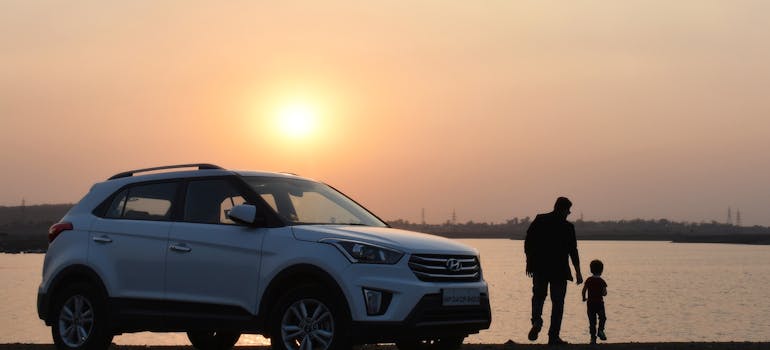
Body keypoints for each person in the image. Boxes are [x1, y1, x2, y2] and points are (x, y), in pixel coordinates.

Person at [524, 196, 583, 345]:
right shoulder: (568, 227)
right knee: (558, 303)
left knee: (538, 297)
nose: (569, 213)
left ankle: (537, 321)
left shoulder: (540, 220)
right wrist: (578, 271)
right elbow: (573, 251)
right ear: (563, 209)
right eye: (568, 211)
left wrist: (529, 263)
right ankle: (553, 336)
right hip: (559, 270)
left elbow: (528, 242)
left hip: (539, 267)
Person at [582, 259, 608, 344]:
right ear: (601, 270)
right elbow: (604, 293)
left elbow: (584, 290)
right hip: (599, 303)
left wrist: (583, 297)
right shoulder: (602, 281)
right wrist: (603, 292)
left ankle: (593, 338)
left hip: (590, 304)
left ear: (591, 270)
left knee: (592, 322)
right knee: (602, 318)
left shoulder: (589, 280)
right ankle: (600, 330)